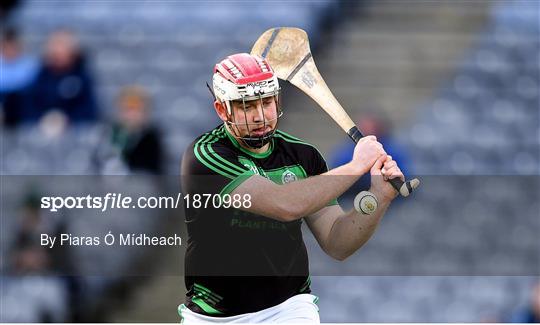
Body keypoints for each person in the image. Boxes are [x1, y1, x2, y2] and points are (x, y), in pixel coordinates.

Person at [179, 53, 404, 323]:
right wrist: (356, 166)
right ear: (222, 109)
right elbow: (284, 205)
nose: (260, 116)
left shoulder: (302, 155)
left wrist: (378, 197)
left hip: (287, 309)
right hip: (214, 317)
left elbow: (337, 242)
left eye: (266, 103)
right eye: (247, 106)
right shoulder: (206, 156)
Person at [27, 29, 98, 125]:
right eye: (55, 46)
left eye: (62, 46)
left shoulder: (82, 77)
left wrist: (68, 121)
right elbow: (30, 107)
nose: (58, 52)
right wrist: (44, 120)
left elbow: (88, 110)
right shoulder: (41, 76)